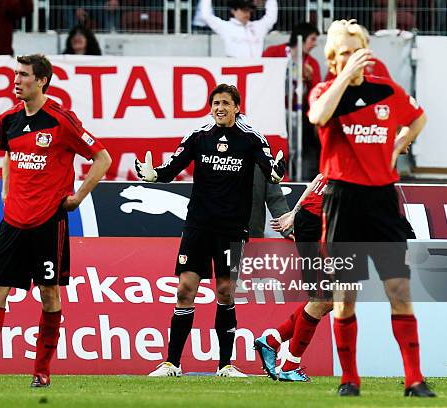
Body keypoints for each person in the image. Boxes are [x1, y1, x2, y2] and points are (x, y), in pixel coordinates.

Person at [0, 54, 112, 388]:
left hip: (48, 221)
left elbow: (102, 157)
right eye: (15, 75)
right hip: (13, 222)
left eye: (23, 75)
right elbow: (8, 153)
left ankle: (41, 372)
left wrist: (77, 198)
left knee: (49, 295)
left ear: (42, 80)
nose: (16, 81)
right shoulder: (9, 120)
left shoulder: (62, 120)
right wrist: (6, 191)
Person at [307, 20, 434, 397]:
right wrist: (344, 76)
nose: (353, 57)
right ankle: (350, 379)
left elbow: (419, 117)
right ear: (333, 58)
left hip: (382, 200)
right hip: (344, 201)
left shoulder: (385, 91)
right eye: (344, 51)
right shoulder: (325, 91)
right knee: (346, 295)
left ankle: (414, 379)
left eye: (357, 49)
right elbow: (317, 117)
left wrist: (399, 144)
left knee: (399, 289)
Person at [135, 84, 286, 377]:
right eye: (216, 103)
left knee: (225, 291)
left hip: (231, 229)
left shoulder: (251, 138)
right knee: (184, 290)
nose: (220, 108)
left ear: (237, 107)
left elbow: (271, 170)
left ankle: (225, 365)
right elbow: (170, 169)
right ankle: (172, 363)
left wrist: (278, 170)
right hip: (198, 225)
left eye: (226, 103)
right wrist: (154, 175)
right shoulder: (199, 136)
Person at [254, 173, 333, 382]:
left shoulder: (365, 147)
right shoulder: (373, 147)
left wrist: (293, 213)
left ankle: (272, 341)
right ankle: (290, 365)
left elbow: (320, 178)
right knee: (323, 298)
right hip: (318, 224)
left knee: (332, 299)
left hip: (317, 220)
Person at [263, 22, 321, 180]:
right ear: (301, 38)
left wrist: (309, 79)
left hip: (298, 112)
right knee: (276, 146)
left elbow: (317, 91)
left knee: (297, 149)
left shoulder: (312, 63)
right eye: (313, 39)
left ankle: (296, 179)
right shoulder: (274, 52)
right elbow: (262, 75)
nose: (315, 44)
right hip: (275, 110)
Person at [199, 0, 278, 58]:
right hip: (235, 69)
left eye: (248, 10)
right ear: (233, 11)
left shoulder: (258, 27)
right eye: (243, 10)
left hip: (257, 70)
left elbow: (271, 16)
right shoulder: (226, 27)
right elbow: (206, 15)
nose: (247, 13)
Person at [324, 25, 391, 81]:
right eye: (346, 52)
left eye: (358, 50)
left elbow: (391, 90)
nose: (353, 55)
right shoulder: (339, 65)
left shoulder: (377, 65)